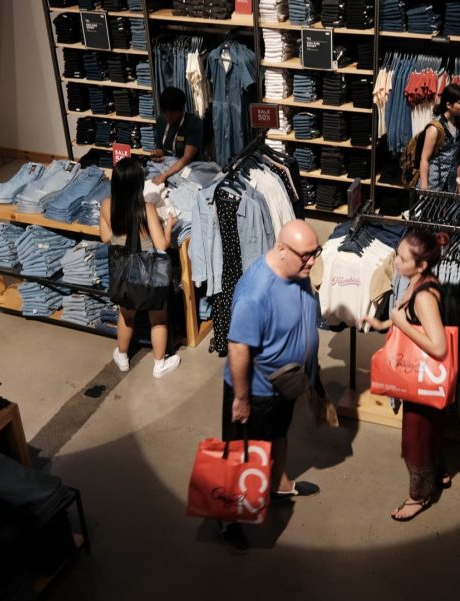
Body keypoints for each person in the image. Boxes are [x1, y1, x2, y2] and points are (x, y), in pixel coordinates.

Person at [220, 220, 325, 552]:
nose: (312, 261)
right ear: (281, 249)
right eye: (306, 255)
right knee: (242, 455)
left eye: (316, 252)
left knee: (279, 434)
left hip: (287, 383)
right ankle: (228, 518)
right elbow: (238, 347)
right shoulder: (256, 292)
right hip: (256, 392)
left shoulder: (297, 271)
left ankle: (279, 485)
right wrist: (241, 398)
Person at [361, 230, 452, 522]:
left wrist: (401, 324)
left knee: (415, 439)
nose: (396, 261)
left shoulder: (424, 296)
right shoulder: (419, 281)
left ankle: (419, 496)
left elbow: (439, 347)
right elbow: (407, 315)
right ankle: (440, 472)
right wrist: (383, 323)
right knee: (430, 431)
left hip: (422, 378)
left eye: (402, 258)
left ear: (421, 265)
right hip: (424, 377)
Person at [99, 159, 181, 379]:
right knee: (158, 318)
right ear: (138, 185)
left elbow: (105, 237)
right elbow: (161, 245)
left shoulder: (106, 205)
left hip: (123, 272)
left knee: (126, 315)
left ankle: (122, 357)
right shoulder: (146, 209)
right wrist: (169, 226)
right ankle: (159, 364)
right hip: (148, 272)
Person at [419, 84, 460, 192]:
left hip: (451, 181)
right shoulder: (435, 128)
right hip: (434, 180)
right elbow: (424, 159)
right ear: (449, 105)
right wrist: (424, 188)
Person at [150, 87, 204, 186]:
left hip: (189, 167)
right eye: (165, 113)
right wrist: (157, 154)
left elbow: (187, 158)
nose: (168, 117)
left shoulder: (194, 123)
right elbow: (162, 149)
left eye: (172, 114)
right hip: (166, 165)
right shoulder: (161, 121)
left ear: (182, 110)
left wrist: (164, 176)